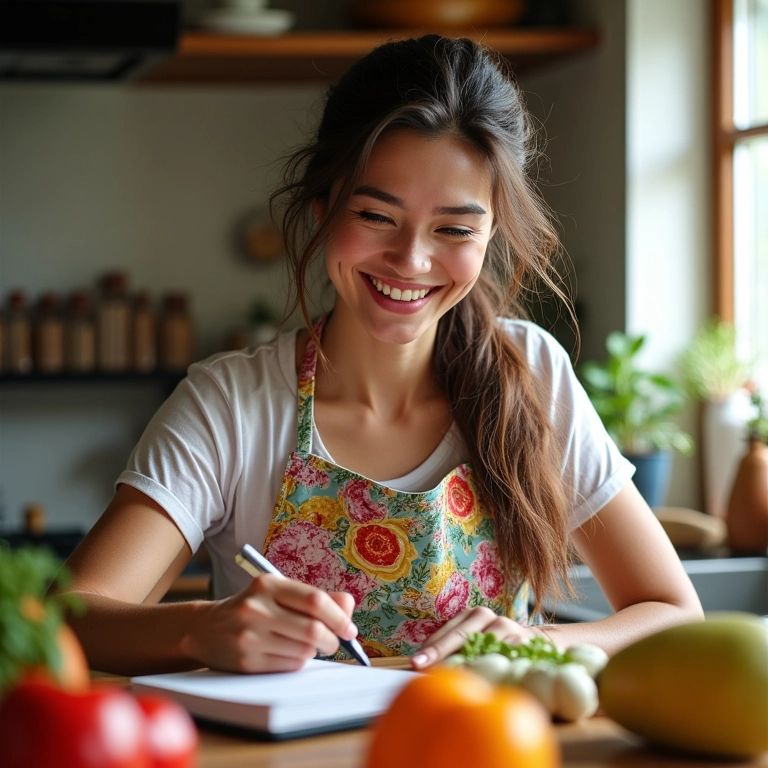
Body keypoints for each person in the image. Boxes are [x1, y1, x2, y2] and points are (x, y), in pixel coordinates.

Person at [61, 35, 702, 676]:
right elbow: (69, 615)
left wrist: (533, 642)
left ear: (489, 236)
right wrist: (200, 628)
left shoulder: (531, 374)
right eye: (375, 215)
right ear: (322, 209)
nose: (411, 262)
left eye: (453, 229)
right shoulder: (231, 405)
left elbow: (673, 611)